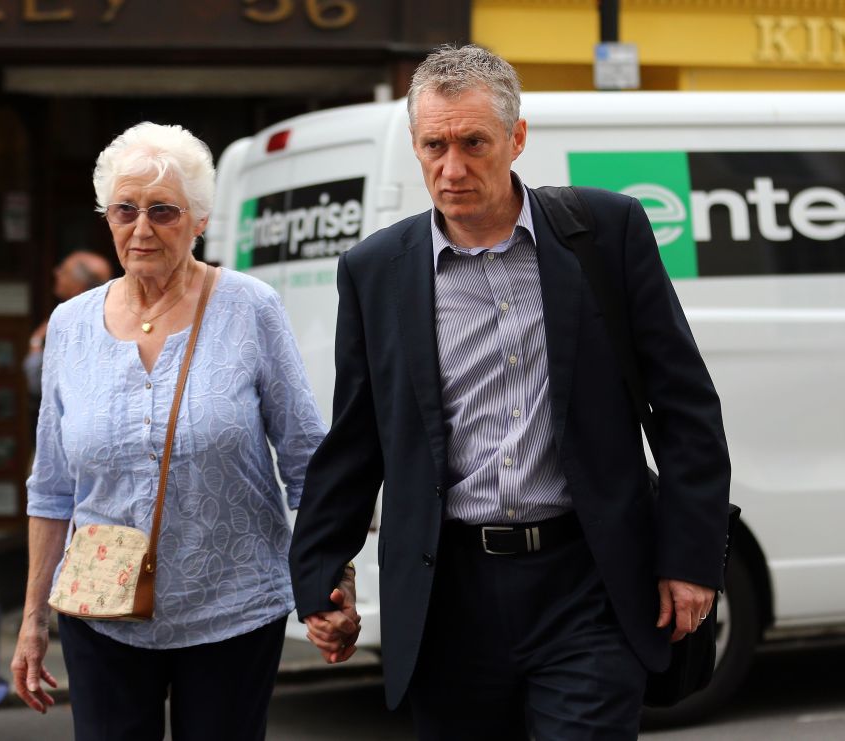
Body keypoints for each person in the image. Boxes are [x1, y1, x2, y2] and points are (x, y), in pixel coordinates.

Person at [289, 44, 731, 740]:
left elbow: (685, 408)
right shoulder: (375, 271)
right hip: (447, 596)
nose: (452, 168)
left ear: (517, 138)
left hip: (588, 584)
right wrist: (319, 574)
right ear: (415, 143)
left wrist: (690, 558)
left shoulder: (605, 234)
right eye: (435, 145)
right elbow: (357, 437)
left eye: (474, 143)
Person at [11, 121, 327, 741]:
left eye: (163, 210)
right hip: (102, 610)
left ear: (199, 219)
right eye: (125, 210)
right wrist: (32, 620)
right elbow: (50, 486)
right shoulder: (70, 325)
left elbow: (305, 459)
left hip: (232, 609)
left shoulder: (251, 308)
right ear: (107, 217)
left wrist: (327, 580)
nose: (142, 227)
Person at [23, 251, 112, 436]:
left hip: (68, 435)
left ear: (78, 285)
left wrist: (36, 341)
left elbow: (36, 381)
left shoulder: (71, 323)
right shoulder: (104, 315)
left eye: (64, 270)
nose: (56, 272)